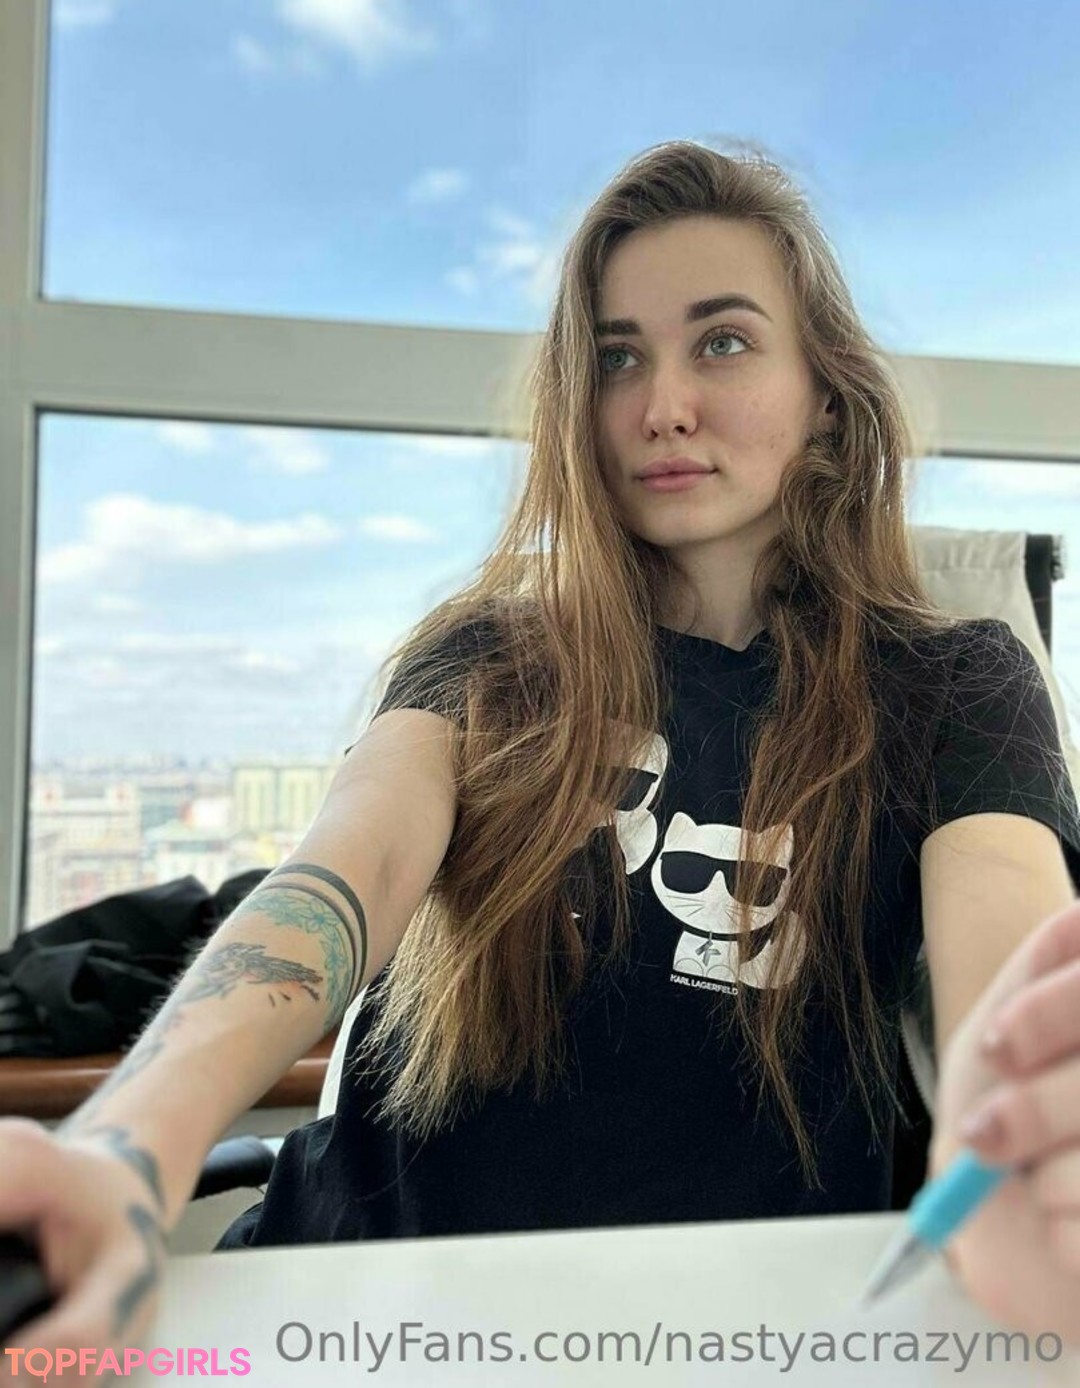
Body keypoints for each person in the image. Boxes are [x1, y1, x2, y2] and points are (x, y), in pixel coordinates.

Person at [1, 139, 1079, 1367]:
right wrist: (127, 1148)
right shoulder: (489, 653)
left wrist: (1026, 1130)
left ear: (826, 391)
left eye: (722, 341)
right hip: (353, 1315)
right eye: (617, 356)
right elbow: (342, 873)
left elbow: (1010, 956)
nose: (661, 405)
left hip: (731, 1340)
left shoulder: (953, 682)